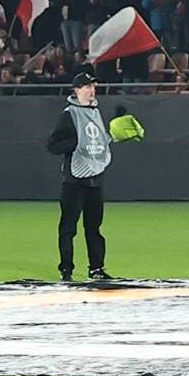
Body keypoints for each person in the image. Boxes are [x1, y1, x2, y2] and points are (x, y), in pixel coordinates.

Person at [45, 72, 122, 284]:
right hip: (74, 181)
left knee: (94, 228)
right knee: (68, 228)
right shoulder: (68, 115)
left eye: (93, 87)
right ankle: (66, 270)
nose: (92, 91)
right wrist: (75, 142)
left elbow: (98, 141)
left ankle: (96, 268)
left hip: (95, 180)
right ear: (77, 90)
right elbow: (53, 145)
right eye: (87, 87)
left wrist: (114, 136)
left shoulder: (95, 112)